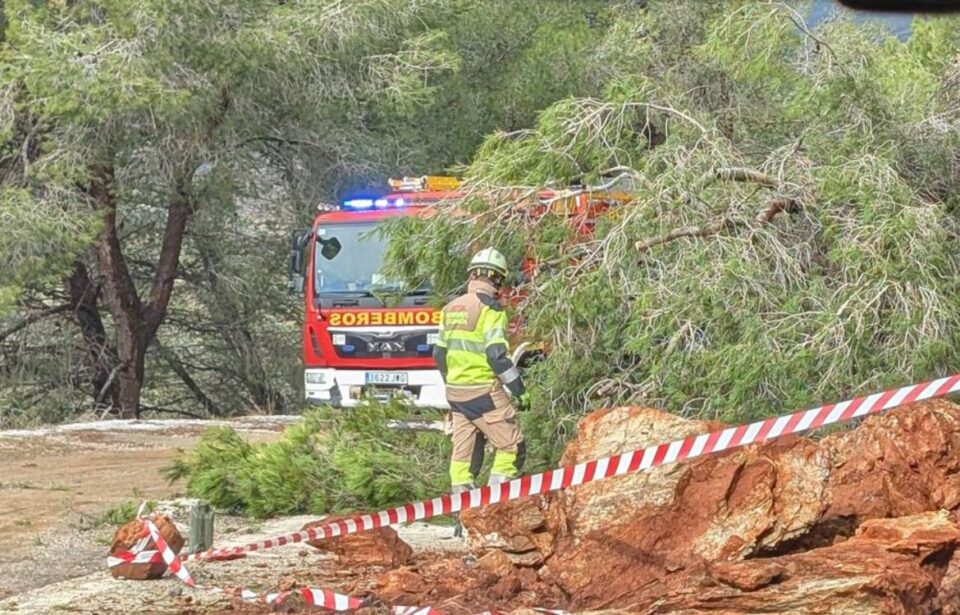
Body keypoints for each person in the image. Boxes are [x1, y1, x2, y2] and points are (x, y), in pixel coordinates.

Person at [433, 248, 530, 501]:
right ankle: (495, 505)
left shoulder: (450, 308)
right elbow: (497, 356)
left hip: (456, 394)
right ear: (498, 279)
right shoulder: (491, 310)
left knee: (463, 458)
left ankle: (462, 514)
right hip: (484, 392)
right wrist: (520, 390)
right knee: (512, 448)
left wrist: (453, 383)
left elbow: (439, 355)